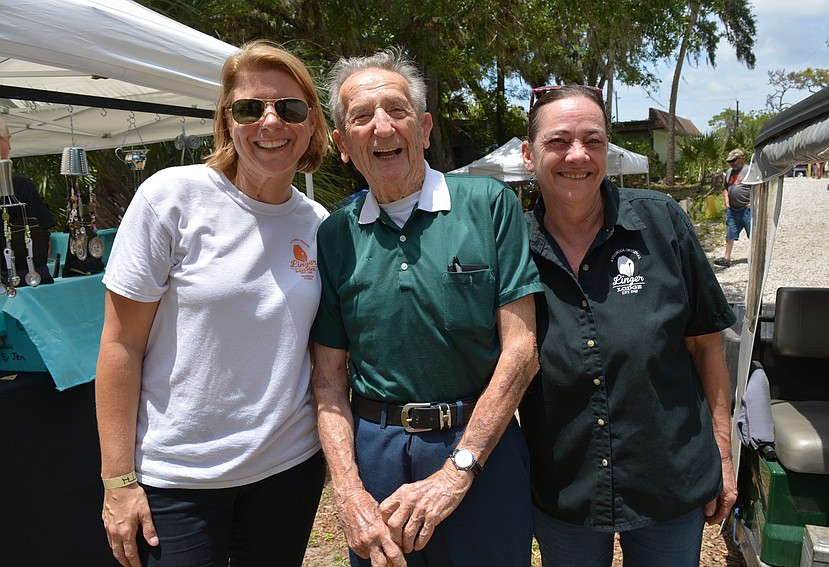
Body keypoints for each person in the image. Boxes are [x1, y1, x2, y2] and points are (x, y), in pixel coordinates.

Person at [95, 40, 329, 567]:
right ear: (227, 121)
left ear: (311, 123)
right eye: (250, 108)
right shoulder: (171, 198)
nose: (270, 122)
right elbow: (119, 346)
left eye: (289, 108)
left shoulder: (318, 225)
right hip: (179, 477)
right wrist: (118, 480)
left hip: (288, 469)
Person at [310, 48, 542, 567]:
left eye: (397, 110)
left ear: (425, 127)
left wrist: (460, 468)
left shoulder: (489, 205)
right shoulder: (334, 236)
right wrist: (347, 490)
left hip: (481, 446)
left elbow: (522, 350)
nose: (382, 126)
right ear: (343, 145)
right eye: (362, 117)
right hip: (377, 459)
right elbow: (327, 379)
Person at [519, 85, 738, 567]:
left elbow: (706, 347)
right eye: (559, 141)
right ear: (528, 154)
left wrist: (723, 453)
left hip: (669, 480)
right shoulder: (510, 249)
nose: (578, 155)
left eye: (593, 141)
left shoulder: (663, 224)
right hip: (565, 489)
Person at [0, 115, 57, 284]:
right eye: (8, 139)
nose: (9, 146)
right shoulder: (21, 185)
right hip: (22, 279)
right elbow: (43, 242)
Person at [714, 148, 751, 267]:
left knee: (753, 234)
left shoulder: (749, 170)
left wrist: (753, 203)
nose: (732, 163)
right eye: (730, 161)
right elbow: (726, 187)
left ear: (741, 158)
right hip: (732, 209)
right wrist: (726, 202)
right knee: (730, 233)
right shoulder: (729, 172)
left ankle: (756, 257)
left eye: (734, 160)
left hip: (747, 209)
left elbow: (758, 188)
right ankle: (727, 258)